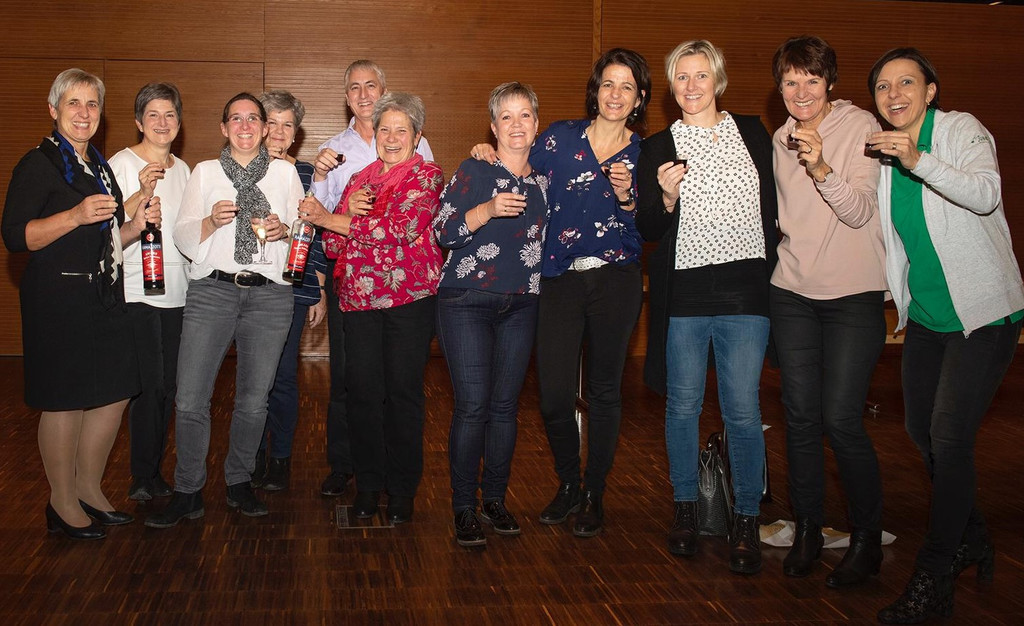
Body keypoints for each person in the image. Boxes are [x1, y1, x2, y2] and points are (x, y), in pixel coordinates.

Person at [867, 48, 1024, 624]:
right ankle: (971, 538)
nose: (894, 94)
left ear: (930, 91)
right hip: (930, 318)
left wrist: (920, 159)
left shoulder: (960, 131)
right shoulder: (886, 153)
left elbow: (985, 194)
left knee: (950, 438)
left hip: (982, 315)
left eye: (907, 82)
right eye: (883, 87)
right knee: (920, 430)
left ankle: (933, 576)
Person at [471, 48, 650, 538]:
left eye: (627, 87)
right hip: (559, 279)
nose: (615, 94)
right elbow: (517, 164)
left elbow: (649, 228)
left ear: (638, 98)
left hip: (617, 280)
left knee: (604, 391)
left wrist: (627, 198)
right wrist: (488, 151)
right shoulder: (559, 137)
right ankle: (569, 481)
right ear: (596, 89)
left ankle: (594, 492)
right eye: (608, 83)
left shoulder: (645, 154)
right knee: (553, 395)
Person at [635, 40, 777, 574]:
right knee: (682, 406)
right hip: (685, 292)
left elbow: (778, 204)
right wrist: (667, 198)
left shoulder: (754, 133)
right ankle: (686, 509)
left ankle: (746, 518)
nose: (691, 86)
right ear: (671, 87)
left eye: (700, 75)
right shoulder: (658, 146)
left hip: (746, 290)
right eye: (681, 77)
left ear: (717, 79)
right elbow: (648, 226)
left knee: (743, 410)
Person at [2, 68, 161, 539]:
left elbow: (107, 236)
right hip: (58, 301)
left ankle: (89, 490)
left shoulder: (98, 166)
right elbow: (16, 237)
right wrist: (73, 215)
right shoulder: (38, 164)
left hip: (103, 295)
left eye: (92, 104)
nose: (84, 112)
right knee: (65, 402)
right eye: (73, 103)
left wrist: (135, 225)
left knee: (115, 393)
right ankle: (62, 502)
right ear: (54, 110)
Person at [145, 93, 302, 528]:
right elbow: (182, 236)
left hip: (269, 297)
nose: (245, 126)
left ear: (265, 129)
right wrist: (211, 222)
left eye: (253, 119)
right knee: (190, 398)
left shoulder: (286, 174)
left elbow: (301, 235)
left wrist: (284, 231)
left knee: (253, 400)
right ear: (223, 128)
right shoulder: (205, 172)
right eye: (236, 118)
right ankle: (187, 491)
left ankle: (239, 481)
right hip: (212, 293)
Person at [769, 35, 886, 586]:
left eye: (811, 80)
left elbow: (860, 213)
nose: (801, 92)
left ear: (830, 83)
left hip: (852, 296)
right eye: (790, 82)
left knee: (840, 419)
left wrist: (820, 167)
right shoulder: (779, 139)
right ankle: (809, 530)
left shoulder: (860, 126)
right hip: (792, 293)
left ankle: (866, 540)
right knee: (799, 417)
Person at [307, 92, 442, 524]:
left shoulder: (426, 176)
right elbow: (332, 246)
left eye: (402, 130)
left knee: (402, 394)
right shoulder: (358, 177)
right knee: (362, 394)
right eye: (385, 129)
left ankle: (401, 490)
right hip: (358, 300)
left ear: (417, 136)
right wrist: (344, 212)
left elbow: (399, 230)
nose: (392, 137)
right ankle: (367, 485)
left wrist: (330, 218)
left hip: (409, 300)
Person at [434, 82, 548, 547]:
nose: (516, 124)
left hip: (521, 303)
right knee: (473, 405)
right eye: (506, 116)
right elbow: (443, 231)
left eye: (525, 115)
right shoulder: (475, 169)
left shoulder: (544, 182)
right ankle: (463, 506)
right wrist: (486, 210)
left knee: (504, 408)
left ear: (536, 125)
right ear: (494, 127)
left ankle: (494, 500)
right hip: (466, 301)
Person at [109, 82, 191, 502]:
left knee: (171, 388)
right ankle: (142, 476)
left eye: (169, 114)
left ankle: (154, 471)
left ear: (179, 122)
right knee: (149, 387)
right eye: (153, 115)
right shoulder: (120, 164)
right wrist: (139, 194)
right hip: (136, 293)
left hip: (179, 293)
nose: (162, 122)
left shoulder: (185, 170)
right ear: (139, 122)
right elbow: (104, 230)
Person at [249, 89, 328, 492]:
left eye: (288, 125)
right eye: (272, 123)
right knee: (252, 379)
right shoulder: (240, 168)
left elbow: (316, 234)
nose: (279, 132)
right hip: (247, 288)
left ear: (296, 133)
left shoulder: (308, 175)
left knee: (281, 376)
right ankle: (250, 455)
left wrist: (319, 289)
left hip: (293, 288)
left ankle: (279, 456)